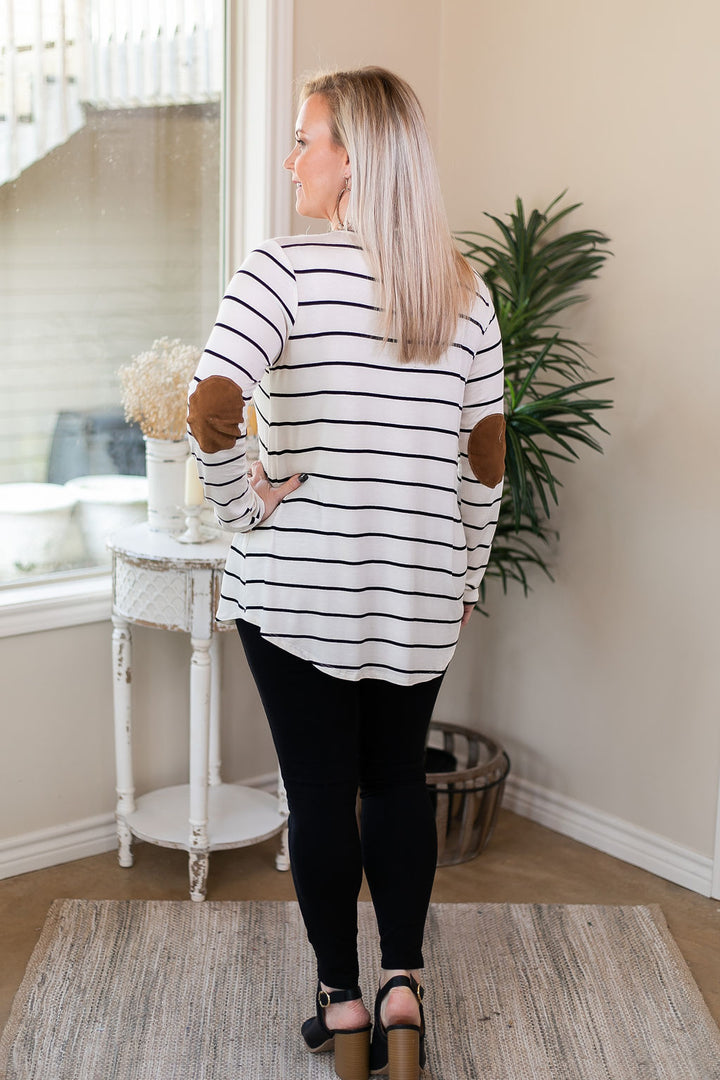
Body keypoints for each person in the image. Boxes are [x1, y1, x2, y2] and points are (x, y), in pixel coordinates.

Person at [187, 66, 505, 1080]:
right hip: (419, 593)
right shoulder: (463, 290)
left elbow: (210, 408)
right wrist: (467, 578)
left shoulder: (280, 269)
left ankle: (346, 1006)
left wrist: (244, 511)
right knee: (395, 786)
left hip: (296, 594)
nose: (292, 160)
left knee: (320, 795)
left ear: (355, 157)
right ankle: (406, 986)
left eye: (305, 139)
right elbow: (486, 458)